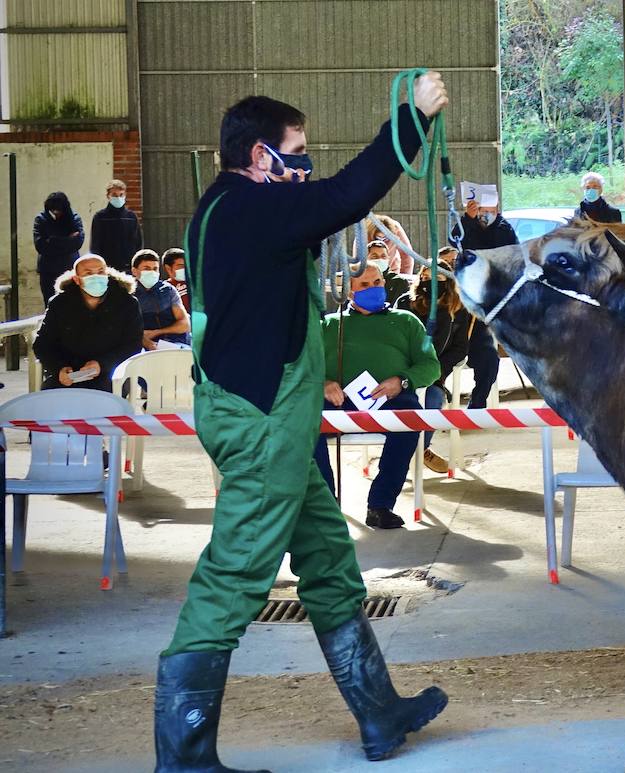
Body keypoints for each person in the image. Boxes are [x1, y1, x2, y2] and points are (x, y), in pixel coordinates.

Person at [159, 74, 451, 772]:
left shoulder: (225, 210)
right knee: (234, 576)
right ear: (262, 157)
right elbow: (348, 194)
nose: (306, 169)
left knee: (325, 555)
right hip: (262, 421)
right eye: (299, 153)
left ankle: (379, 713)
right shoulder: (250, 208)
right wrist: (411, 119)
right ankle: (184, 756)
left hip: (267, 418)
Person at [315, 261, 440, 528]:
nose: (373, 288)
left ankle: (380, 505)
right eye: (364, 285)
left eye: (377, 282)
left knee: (409, 422)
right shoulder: (327, 325)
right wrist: (323, 382)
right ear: (349, 292)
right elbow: (303, 366)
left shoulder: (406, 321)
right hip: (338, 402)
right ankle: (325, 507)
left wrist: (402, 381)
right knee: (304, 423)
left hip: (393, 398)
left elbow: (431, 365)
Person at [396, 248, 472, 473]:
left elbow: (460, 349)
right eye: (426, 277)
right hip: (403, 368)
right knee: (404, 403)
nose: (430, 282)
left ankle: (421, 448)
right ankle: (409, 450)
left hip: (435, 372)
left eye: (437, 278)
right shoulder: (405, 302)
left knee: (433, 400)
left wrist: (439, 369)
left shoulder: (458, 308)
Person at [32, 254, 142, 392]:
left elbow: (132, 345)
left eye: (101, 272)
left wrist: (101, 364)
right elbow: (43, 345)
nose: (96, 277)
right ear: (77, 279)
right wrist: (59, 368)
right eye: (88, 273)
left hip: (111, 374)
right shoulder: (59, 304)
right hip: (68, 375)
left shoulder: (127, 303)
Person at [451, 194, 513, 409]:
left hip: (484, 306)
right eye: (481, 210)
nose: (485, 214)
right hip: (459, 311)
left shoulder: (504, 228)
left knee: (488, 358)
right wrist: (468, 219)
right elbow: (455, 240)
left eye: (490, 210)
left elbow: (511, 252)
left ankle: (478, 402)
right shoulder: (466, 225)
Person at [130, 249, 191, 349]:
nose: (152, 272)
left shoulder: (168, 290)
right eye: (147, 268)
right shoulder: (129, 294)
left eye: (155, 269)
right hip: (142, 348)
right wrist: (147, 343)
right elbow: (127, 328)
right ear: (134, 271)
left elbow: (185, 324)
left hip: (175, 343)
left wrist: (156, 332)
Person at [33, 191, 85, 306]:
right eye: (53, 211)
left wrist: (52, 240)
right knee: (51, 304)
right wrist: (66, 240)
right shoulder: (41, 220)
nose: (56, 214)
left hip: (70, 270)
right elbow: (41, 246)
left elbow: (77, 243)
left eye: (59, 211)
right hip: (48, 271)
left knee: (72, 305)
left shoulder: (74, 219)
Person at [88, 179, 143, 273]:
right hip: (106, 268)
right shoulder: (100, 217)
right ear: (108, 196)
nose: (118, 198)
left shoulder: (131, 217)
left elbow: (138, 242)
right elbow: (95, 244)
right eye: (114, 195)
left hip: (128, 267)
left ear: (125, 195)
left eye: (121, 195)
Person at [364, 239, 411, 304]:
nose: (380, 259)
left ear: (388, 258)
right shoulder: (358, 280)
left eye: (383, 256)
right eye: (375, 256)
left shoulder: (399, 282)